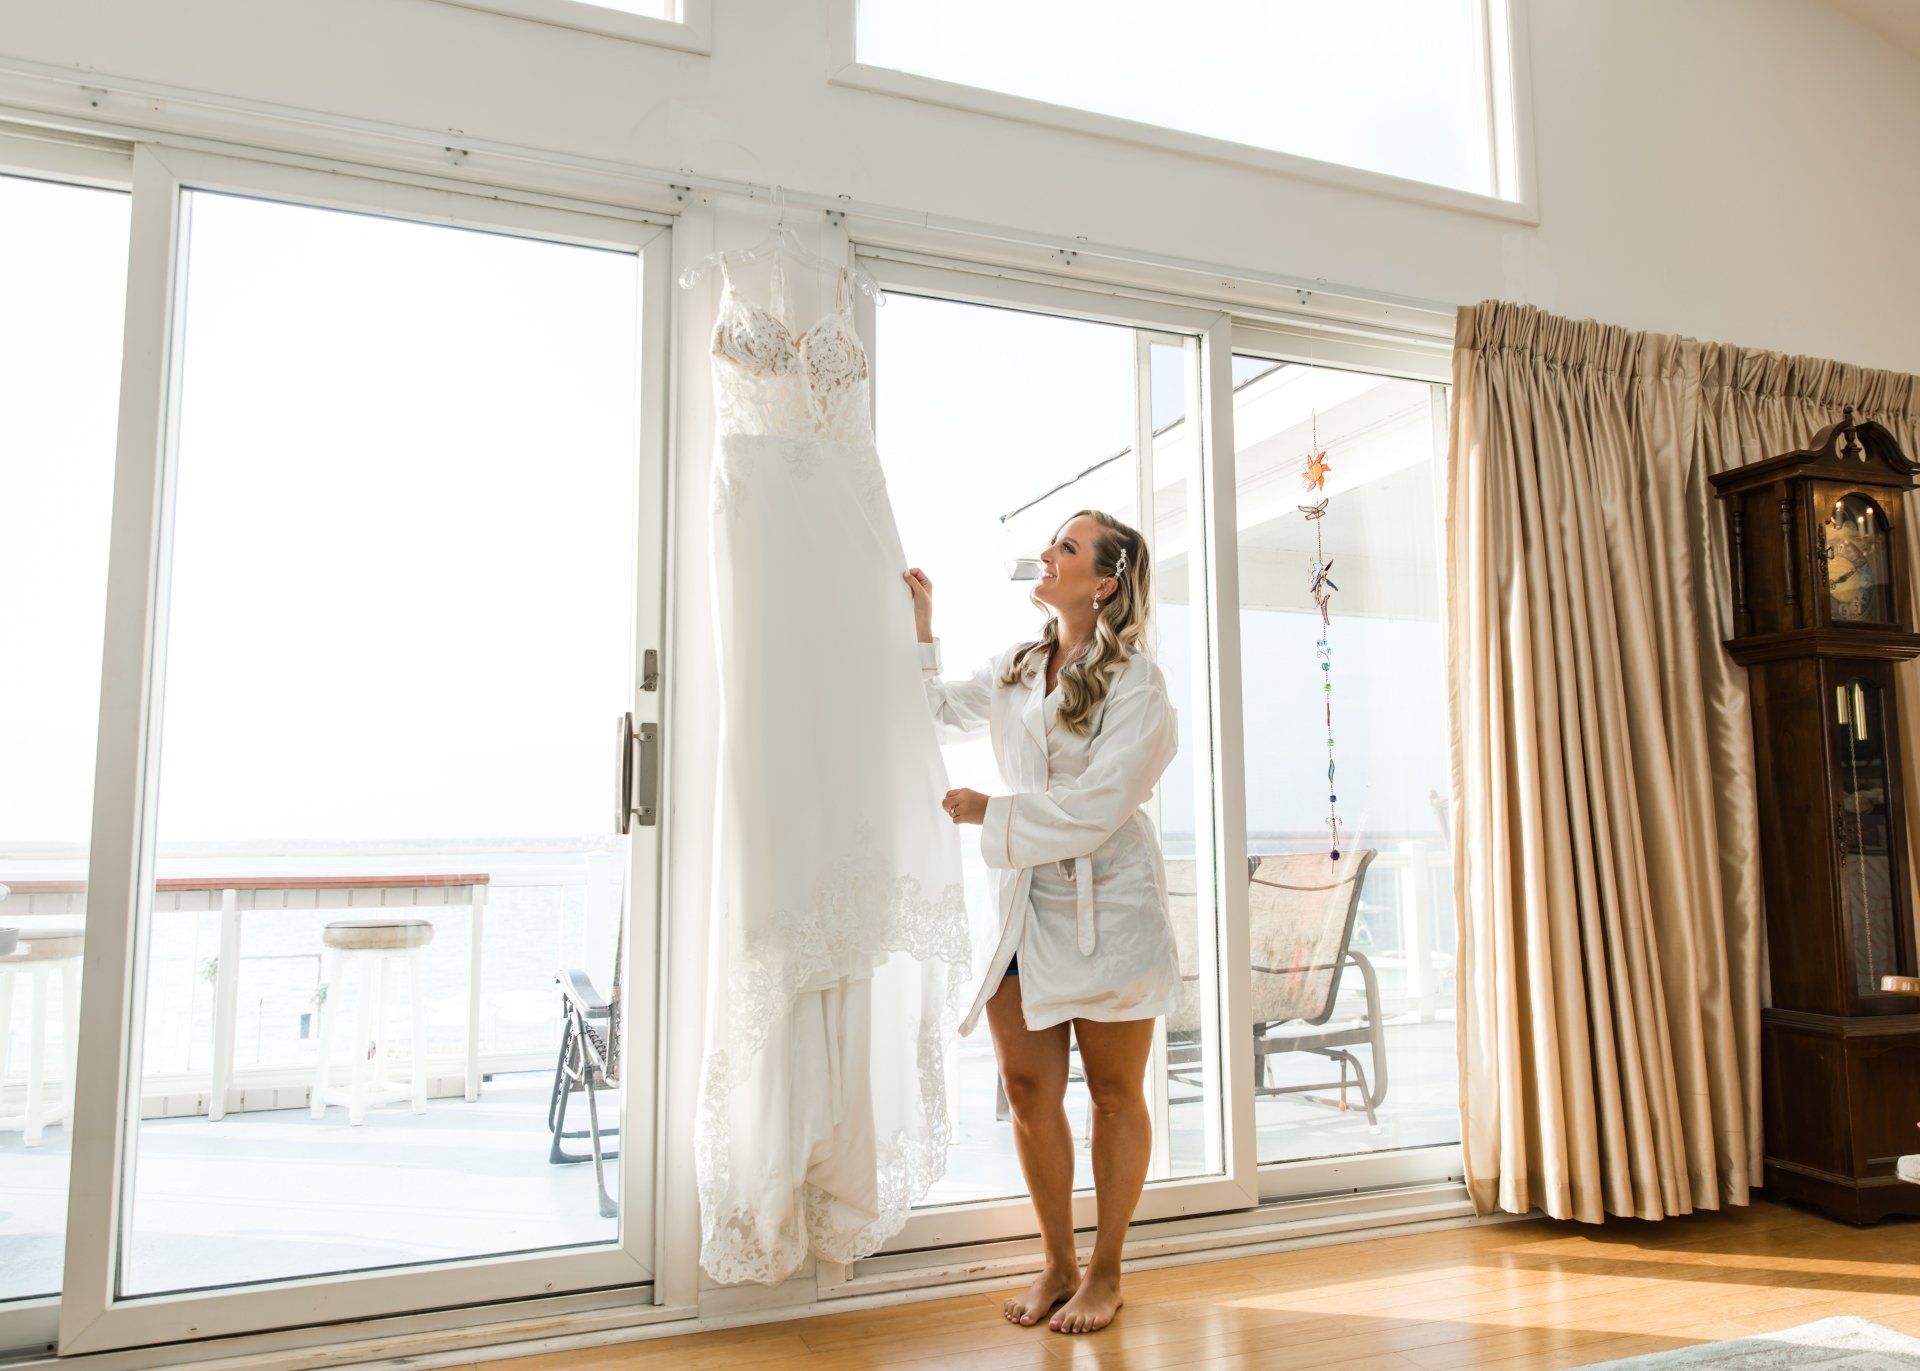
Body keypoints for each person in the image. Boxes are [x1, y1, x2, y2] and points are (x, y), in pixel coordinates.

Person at [903, 509, 1181, 1335]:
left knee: (1112, 1092)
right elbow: (929, 711)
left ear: (1104, 582)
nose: (1046, 554)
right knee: (1028, 1089)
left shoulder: (1138, 682)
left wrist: (996, 814)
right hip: (1025, 904)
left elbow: (1101, 804)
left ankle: (1106, 1267)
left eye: (1066, 547)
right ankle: (1058, 1258)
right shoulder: (1019, 666)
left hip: (1110, 905)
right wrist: (924, 630)